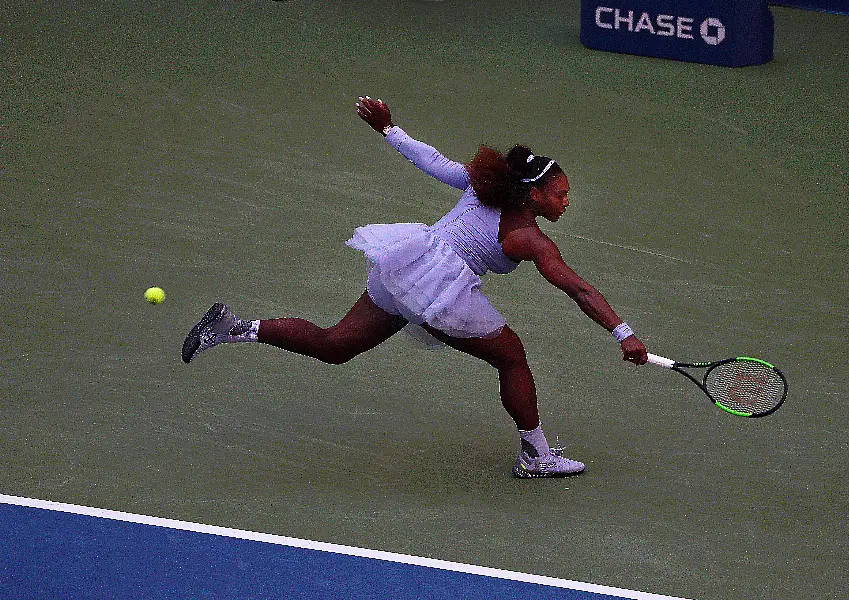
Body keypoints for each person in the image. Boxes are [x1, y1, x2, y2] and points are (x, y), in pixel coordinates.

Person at [182, 96, 647, 479]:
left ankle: (233, 327)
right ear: (534, 196)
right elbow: (579, 289)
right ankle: (536, 455)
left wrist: (389, 130)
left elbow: (433, 161)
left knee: (336, 344)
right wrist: (622, 332)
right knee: (512, 356)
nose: (567, 201)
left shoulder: (480, 187)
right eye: (560, 194)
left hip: (403, 264)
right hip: (439, 291)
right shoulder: (528, 238)